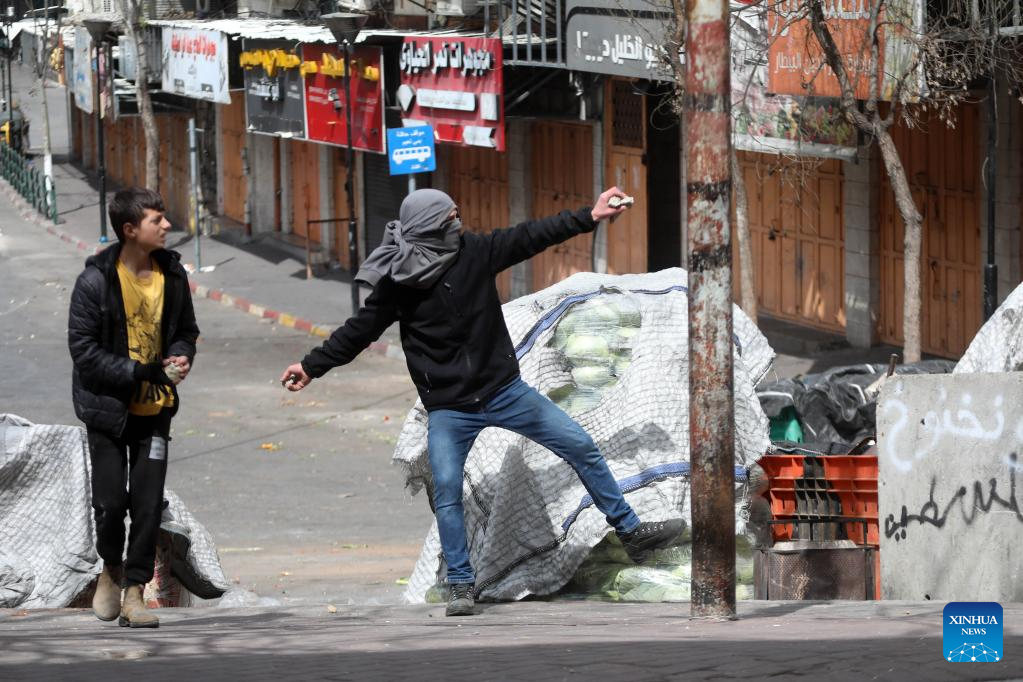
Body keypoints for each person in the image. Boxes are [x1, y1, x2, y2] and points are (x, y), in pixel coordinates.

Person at [281, 187, 683, 617]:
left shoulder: (474, 252)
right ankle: (461, 583)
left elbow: (532, 235)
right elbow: (359, 330)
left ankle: (631, 531)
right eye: (450, 218)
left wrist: (591, 215)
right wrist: (312, 366)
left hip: (504, 391)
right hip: (449, 408)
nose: (458, 223)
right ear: (428, 227)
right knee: (448, 489)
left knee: (578, 444)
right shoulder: (398, 282)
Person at [68, 187, 199, 628]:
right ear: (129, 229)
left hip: (155, 412)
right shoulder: (95, 282)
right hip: (107, 411)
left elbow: (186, 330)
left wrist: (181, 355)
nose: (166, 225)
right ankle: (111, 566)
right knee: (110, 503)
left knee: (147, 505)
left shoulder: (173, 276)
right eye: (156, 219)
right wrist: (141, 372)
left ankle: (135, 592)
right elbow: (83, 351)